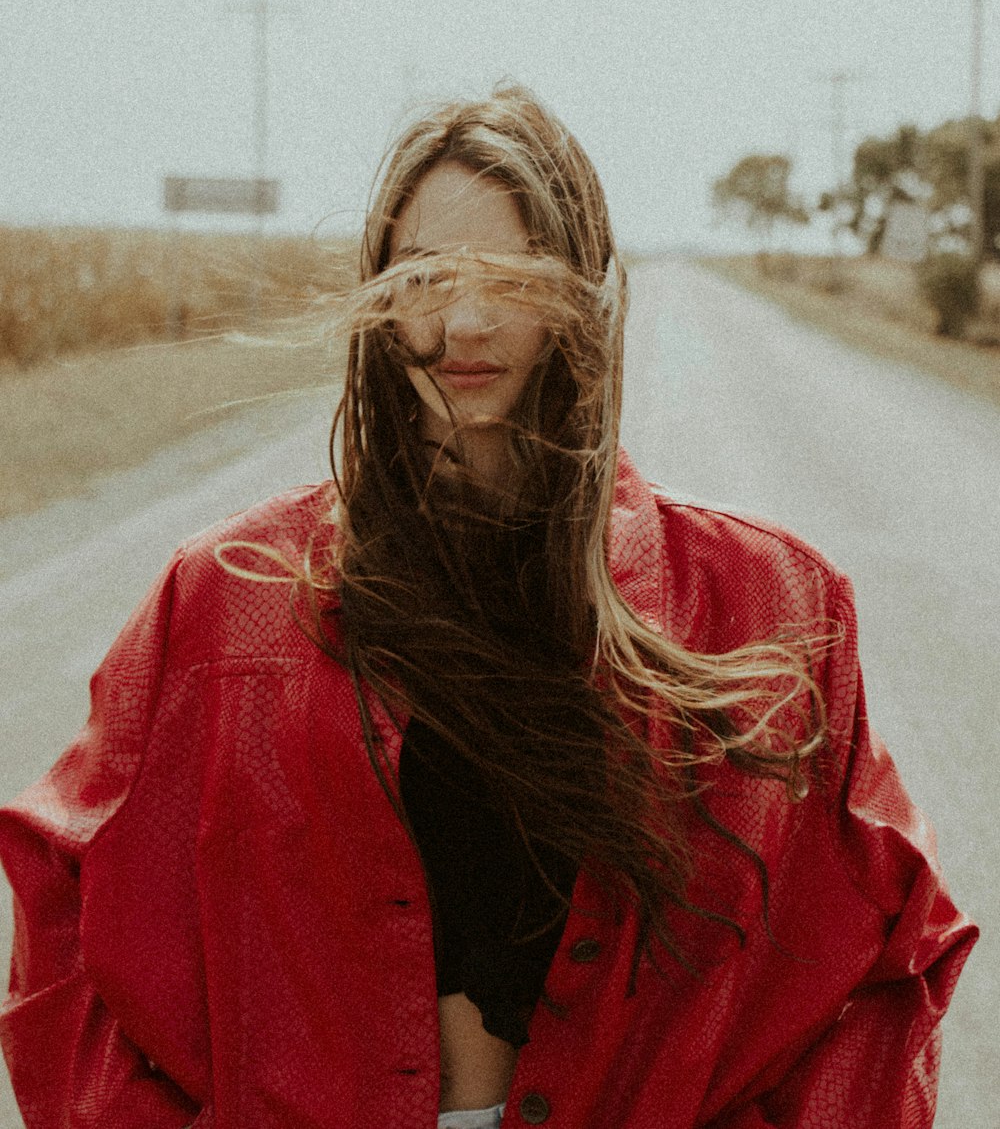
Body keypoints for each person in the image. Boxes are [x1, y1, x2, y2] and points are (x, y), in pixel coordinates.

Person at [0, 83, 977, 1129]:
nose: (462, 320)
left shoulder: (770, 601)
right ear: (376, 291)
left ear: (585, 293)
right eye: (423, 275)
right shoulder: (224, 597)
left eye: (510, 278)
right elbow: (66, 914)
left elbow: (886, 962)